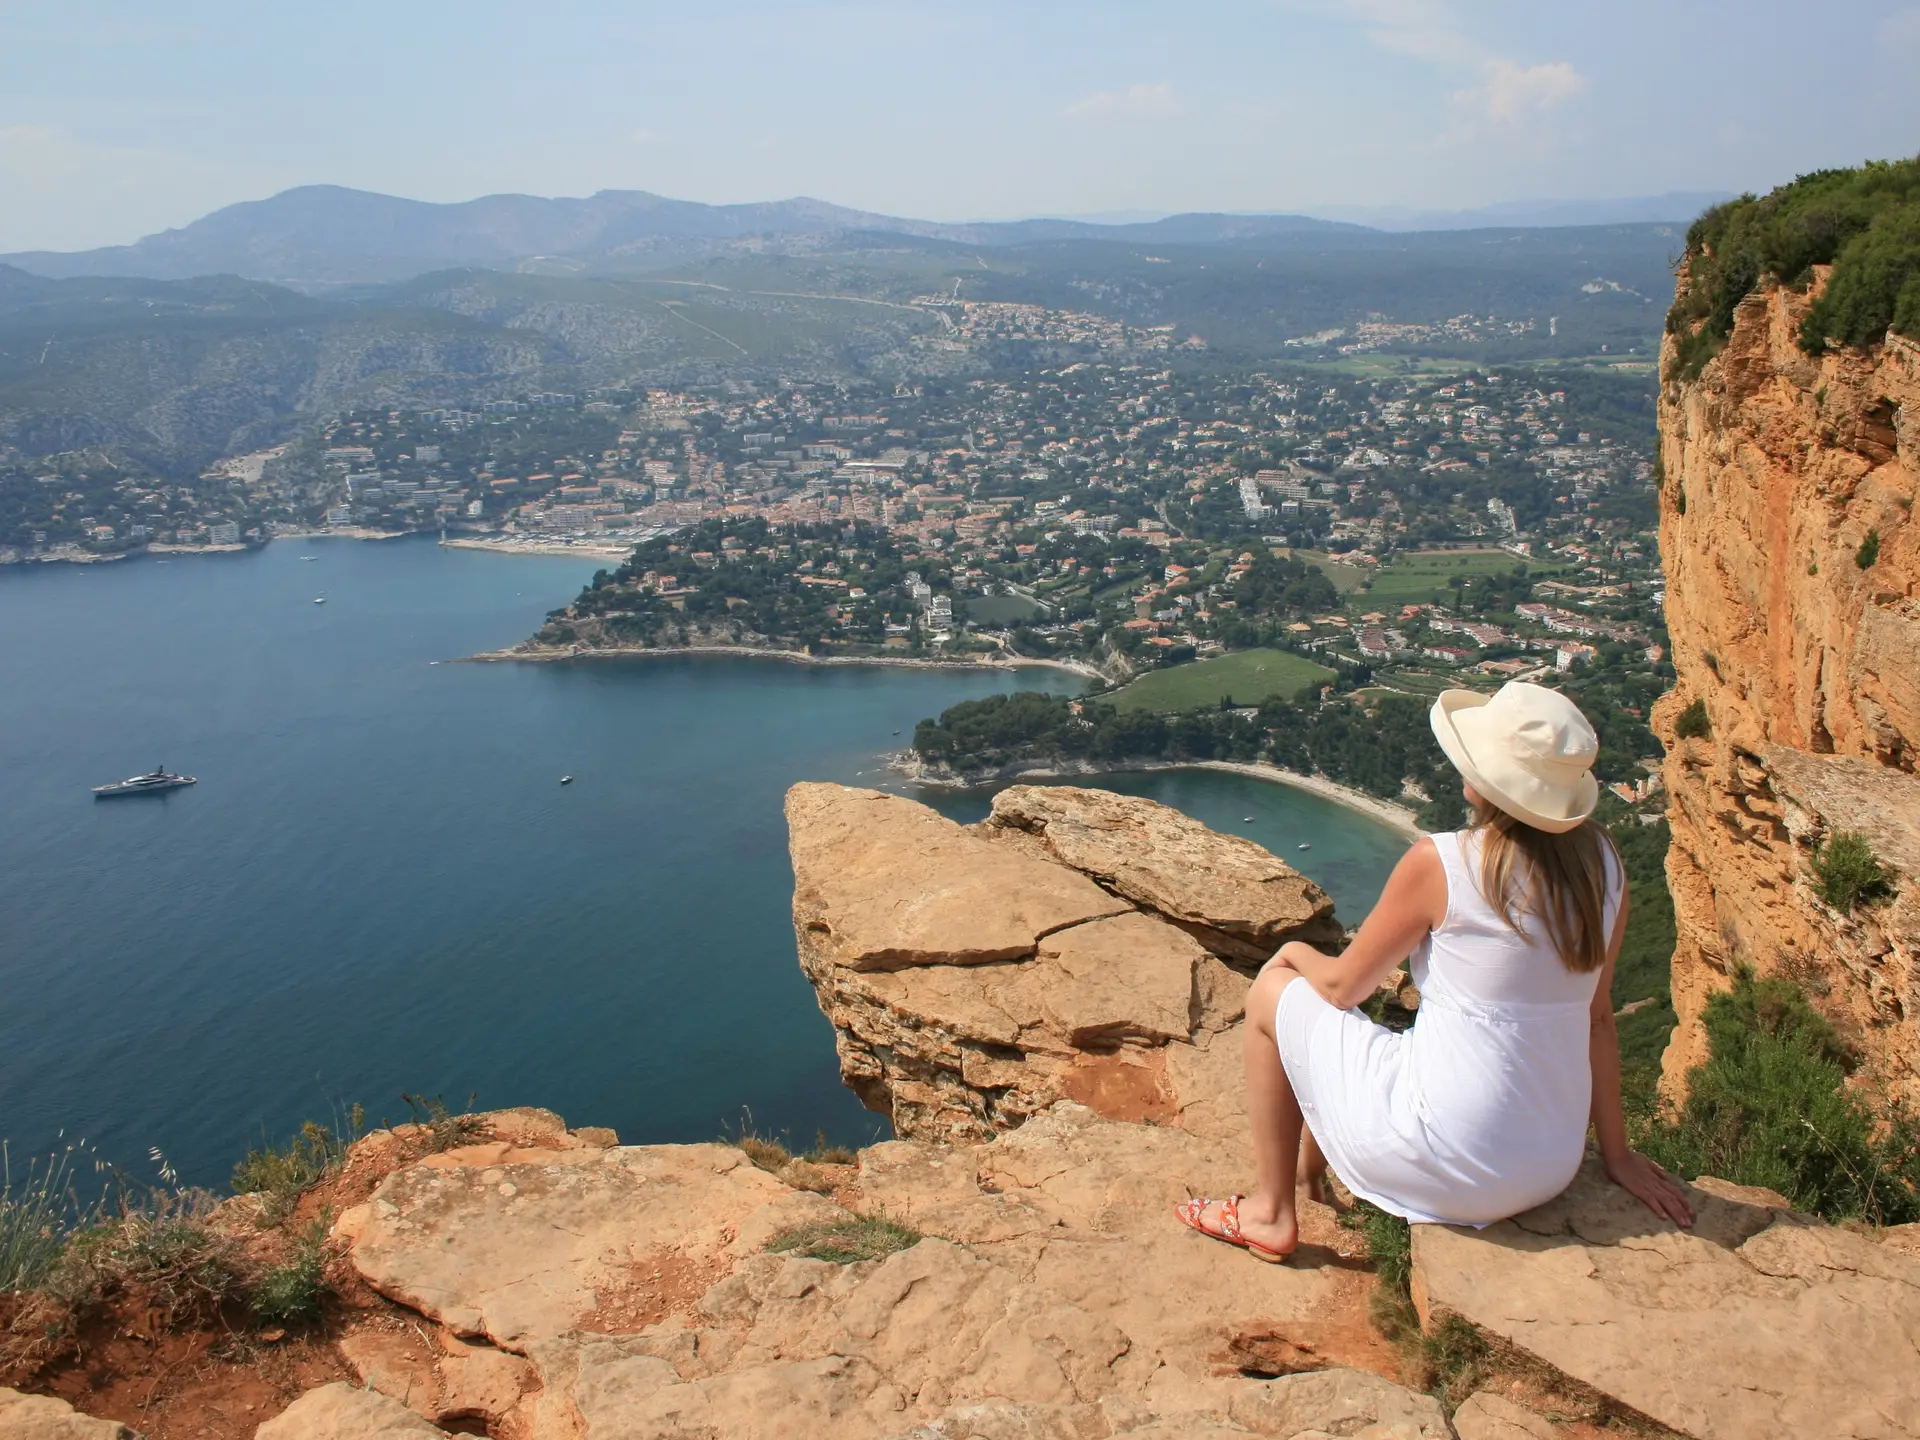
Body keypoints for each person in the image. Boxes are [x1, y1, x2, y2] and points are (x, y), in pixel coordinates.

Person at [1177, 681, 1694, 1262]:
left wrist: (1294, 953)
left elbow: (1344, 988)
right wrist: (1617, 1156)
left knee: (1276, 992)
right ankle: (1309, 1173)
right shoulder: (1605, 866)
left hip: (1446, 1161)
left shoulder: (1442, 862)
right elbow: (1598, 1020)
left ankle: (1271, 1213)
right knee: (1396, 1044)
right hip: (1551, 1166)